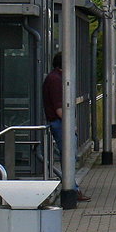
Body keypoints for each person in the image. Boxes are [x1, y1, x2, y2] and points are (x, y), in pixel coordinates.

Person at [43, 52, 89, 200]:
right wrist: (70, 124)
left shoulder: (55, 78)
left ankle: (73, 187)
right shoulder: (56, 80)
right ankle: (71, 190)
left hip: (60, 122)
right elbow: (59, 107)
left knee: (69, 155)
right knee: (69, 155)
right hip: (60, 123)